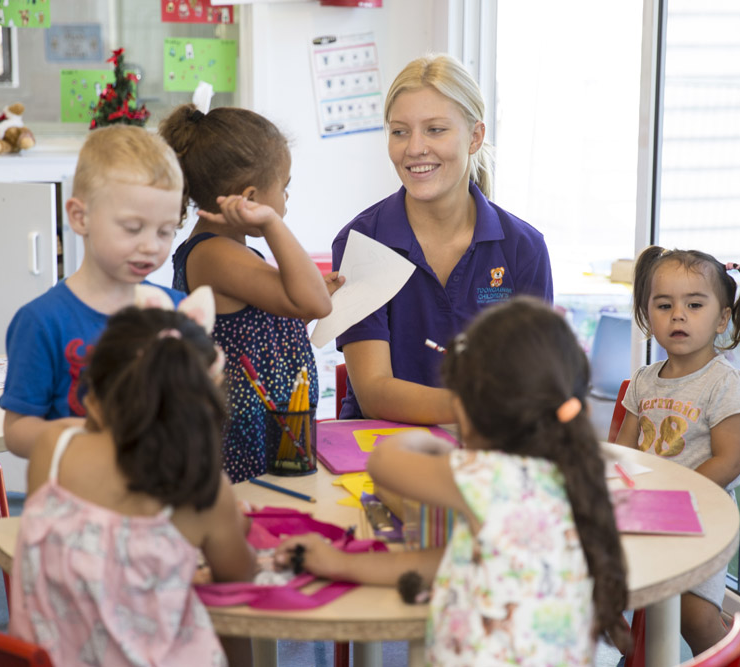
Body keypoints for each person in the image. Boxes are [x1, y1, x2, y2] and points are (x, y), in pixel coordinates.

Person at [276, 296, 628, 665]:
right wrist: (340, 564)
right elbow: (453, 561)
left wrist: (426, 441)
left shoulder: (486, 477)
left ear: (466, 406)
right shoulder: (574, 474)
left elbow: (382, 462)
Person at [9, 304, 259, 666]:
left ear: (93, 397)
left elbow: (83, 559)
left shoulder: (54, 448)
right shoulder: (204, 488)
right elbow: (239, 577)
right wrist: (235, 528)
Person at [332, 54, 553, 424]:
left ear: (475, 137)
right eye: (400, 131)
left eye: (435, 129)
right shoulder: (362, 240)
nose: (414, 148)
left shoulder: (523, 249)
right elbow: (373, 392)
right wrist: (480, 407)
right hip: (379, 454)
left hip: (488, 452)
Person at [160, 105, 335, 482]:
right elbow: (315, 302)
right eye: (284, 187)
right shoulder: (213, 255)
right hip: (241, 448)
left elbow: (257, 329)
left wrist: (309, 299)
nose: (286, 199)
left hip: (269, 433)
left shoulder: (229, 253)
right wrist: (271, 223)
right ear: (251, 198)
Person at [614, 245, 740, 655]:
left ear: (722, 318)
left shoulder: (725, 384)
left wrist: (675, 492)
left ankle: (728, 659)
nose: (678, 315)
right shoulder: (645, 381)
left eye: (694, 304)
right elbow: (623, 449)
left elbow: (729, 461)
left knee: (695, 620)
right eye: (664, 305)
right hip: (648, 513)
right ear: (648, 315)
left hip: (702, 519)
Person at [0, 125, 186, 458]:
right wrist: (87, 437)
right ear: (80, 217)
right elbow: (17, 432)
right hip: (75, 498)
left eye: (165, 231)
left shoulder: (177, 311)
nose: (150, 246)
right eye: (132, 228)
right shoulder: (41, 321)